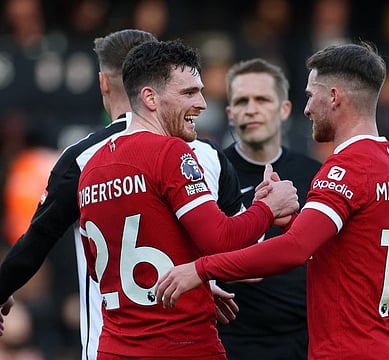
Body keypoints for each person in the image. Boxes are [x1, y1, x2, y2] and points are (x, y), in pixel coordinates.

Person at [156, 42, 389, 359]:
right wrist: (294, 220)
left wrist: (201, 269)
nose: (306, 108)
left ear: (334, 97)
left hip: (347, 350)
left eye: (311, 95)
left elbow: (296, 248)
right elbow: (355, 246)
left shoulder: (347, 168)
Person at [0, 29, 244, 360]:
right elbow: (239, 248)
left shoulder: (84, 159)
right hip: (187, 343)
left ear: (103, 82)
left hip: (110, 344)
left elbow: (36, 242)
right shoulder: (207, 156)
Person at [77, 39, 298, 359]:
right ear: (150, 98)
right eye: (189, 93)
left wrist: (191, 278)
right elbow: (220, 240)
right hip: (181, 345)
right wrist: (267, 208)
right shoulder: (170, 152)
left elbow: (102, 272)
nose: (203, 103)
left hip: (115, 348)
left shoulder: (92, 167)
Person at [218, 58, 321, 360]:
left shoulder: (315, 173)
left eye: (261, 99)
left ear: (285, 109)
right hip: (230, 342)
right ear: (230, 114)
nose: (251, 108)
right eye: (241, 101)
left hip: (303, 342)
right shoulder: (209, 172)